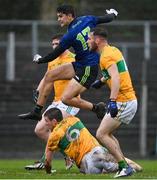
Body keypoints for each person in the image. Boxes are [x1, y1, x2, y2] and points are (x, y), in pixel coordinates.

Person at [18, 4, 118, 121]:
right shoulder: (86, 19)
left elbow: (54, 54)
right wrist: (113, 14)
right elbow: (106, 18)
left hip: (88, 68)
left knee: (65, 99)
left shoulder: (69, 35)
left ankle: (96, 108)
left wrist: (40, 60)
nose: (58, 19)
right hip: (80, 64)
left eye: (61, 16)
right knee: (50, 75)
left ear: (70, 15)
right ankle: (37, 111)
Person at [87, 27, 138, 178]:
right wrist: (102, 81)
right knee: (106, 133)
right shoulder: (112, 50)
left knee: (101, 134)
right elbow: (115, 72)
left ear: (97, 40)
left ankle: (124, 167)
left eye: (89, 39)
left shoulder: (105, 56)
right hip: (128, 99)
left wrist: (113, 101)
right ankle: (125, 166)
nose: (88, 42)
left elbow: (115, 77)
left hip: (123, 100)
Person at [25, 34, 79, 170]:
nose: (55, 47)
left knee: (45, 128)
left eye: (57, 44)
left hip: (70, 102)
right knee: (39, 130)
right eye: (53, 44)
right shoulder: (52, 60)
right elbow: (47, 77)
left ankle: (51, 159)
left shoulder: (74, 59)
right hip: (56, 102)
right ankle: (65, 154)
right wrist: (38, 90)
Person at [44, 107, 142, 175]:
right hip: (97, 154)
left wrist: (48, 171)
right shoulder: (74, 119)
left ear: (54, 121)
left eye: (46, 121)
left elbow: (47, 162)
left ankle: (129, 168)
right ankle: (136, 167)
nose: (45, 124)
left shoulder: (53, 136)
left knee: (105, 171)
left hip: (86, 167)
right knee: (123, 164)